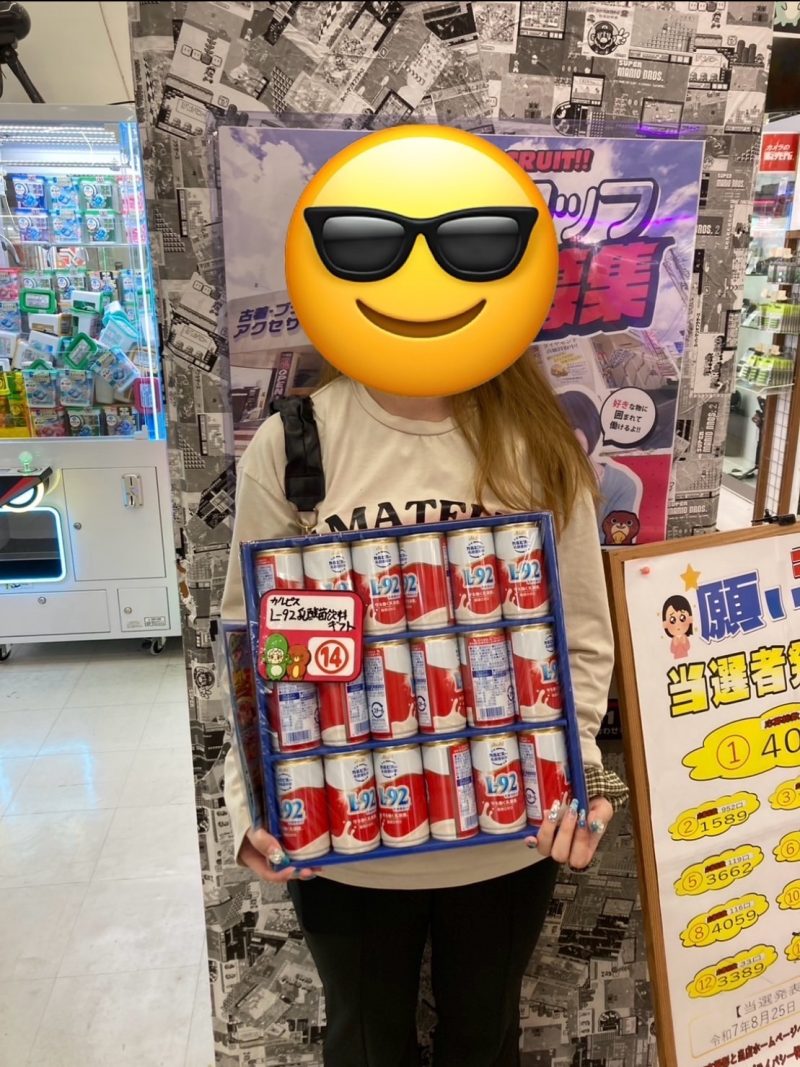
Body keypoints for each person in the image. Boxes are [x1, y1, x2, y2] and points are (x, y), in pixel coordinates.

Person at [221, 357, 628, 1066]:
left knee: (485, 1041)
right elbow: (252, 642)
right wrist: (248, 800)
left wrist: (578, 768)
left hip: (511, 837)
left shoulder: (538, 438)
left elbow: (582, 638)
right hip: (341, 846)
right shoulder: (295, 440)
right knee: (365, 1046)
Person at [556, 388, 643, 539]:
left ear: (589, 425)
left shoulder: (621, 484)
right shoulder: (538, 481)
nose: (562, 438)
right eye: (554, 431)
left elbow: (614, 542)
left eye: (570, 427)